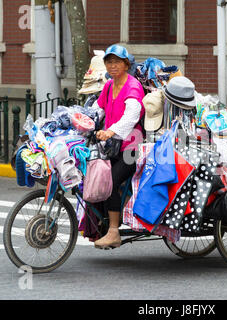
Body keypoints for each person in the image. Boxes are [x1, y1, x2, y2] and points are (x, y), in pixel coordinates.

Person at [93, 44, 145, 249]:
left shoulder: (133, 86)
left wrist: (110, 131)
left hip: (131, 148)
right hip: (113, 145)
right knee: (94, 173)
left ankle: (114, 232)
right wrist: (80, 121)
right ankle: (102, 219)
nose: (112, 65)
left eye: (117, 62)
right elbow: (97, 110)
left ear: (126, 64)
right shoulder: (108, 86)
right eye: (109, 62)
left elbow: (131, 115)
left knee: (110, 181)